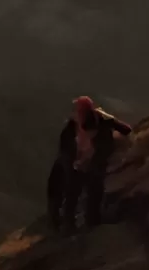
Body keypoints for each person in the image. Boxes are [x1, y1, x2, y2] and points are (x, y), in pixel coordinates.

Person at [47, 95, 133, 232]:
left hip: (95, 163)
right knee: (73, 192)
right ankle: (70, 224)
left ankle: (89, 224)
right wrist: (72, 162)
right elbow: (64, 147)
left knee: (90, 192)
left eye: (78, 110)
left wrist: (109, 119)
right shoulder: (73, 126)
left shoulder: (102, 121)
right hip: (79, 163)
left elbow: (126, 129)